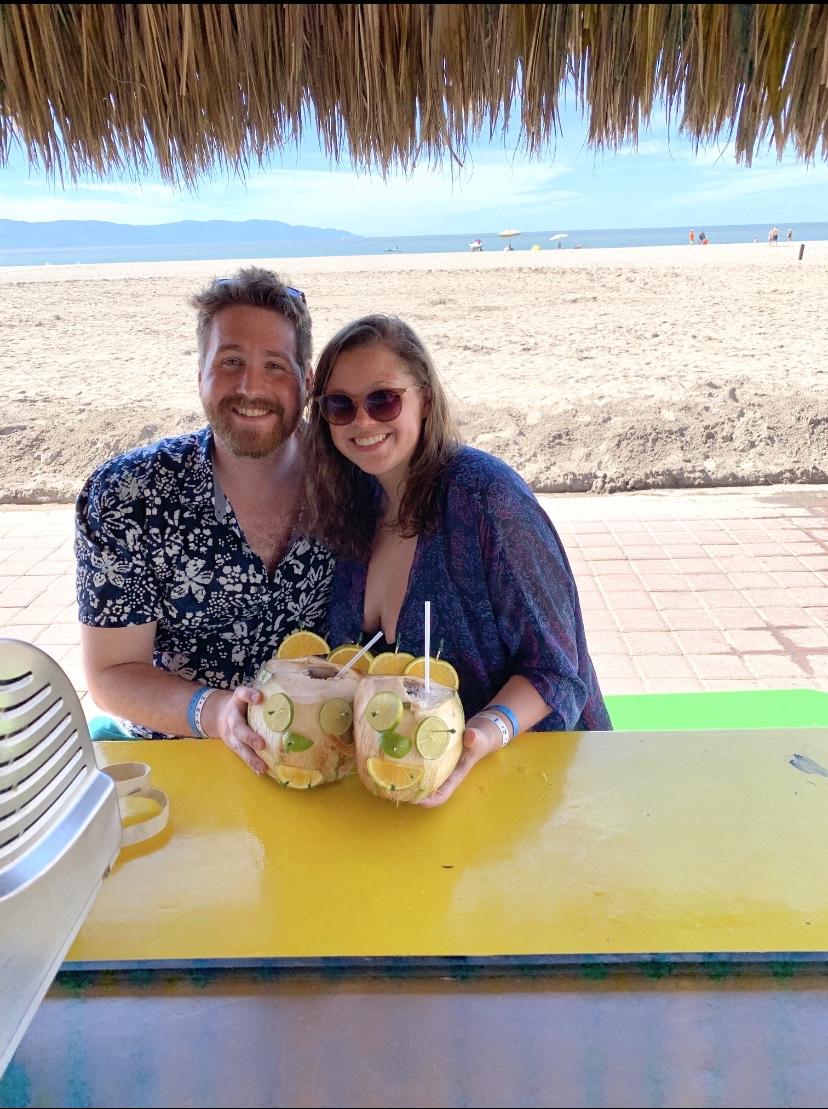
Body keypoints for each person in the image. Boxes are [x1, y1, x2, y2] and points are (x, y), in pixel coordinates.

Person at [304, 315, 611, 807]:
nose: (362, 421)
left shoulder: (487, 498)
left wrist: (479, 739)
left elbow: (557, 670)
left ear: (424, 397)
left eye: (383, 399)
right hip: (401, 788)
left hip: (534, 787)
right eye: (340, 406)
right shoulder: (351, 502)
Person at [75, 268, 334, 774]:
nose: (250, 386)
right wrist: (212, 711)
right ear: (201, 374)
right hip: (179, 755)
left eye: (275, 366)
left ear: (306, 382)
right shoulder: (128, 498)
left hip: (325, 752)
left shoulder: (352, 481)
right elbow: (111, 673)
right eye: (231, 361)